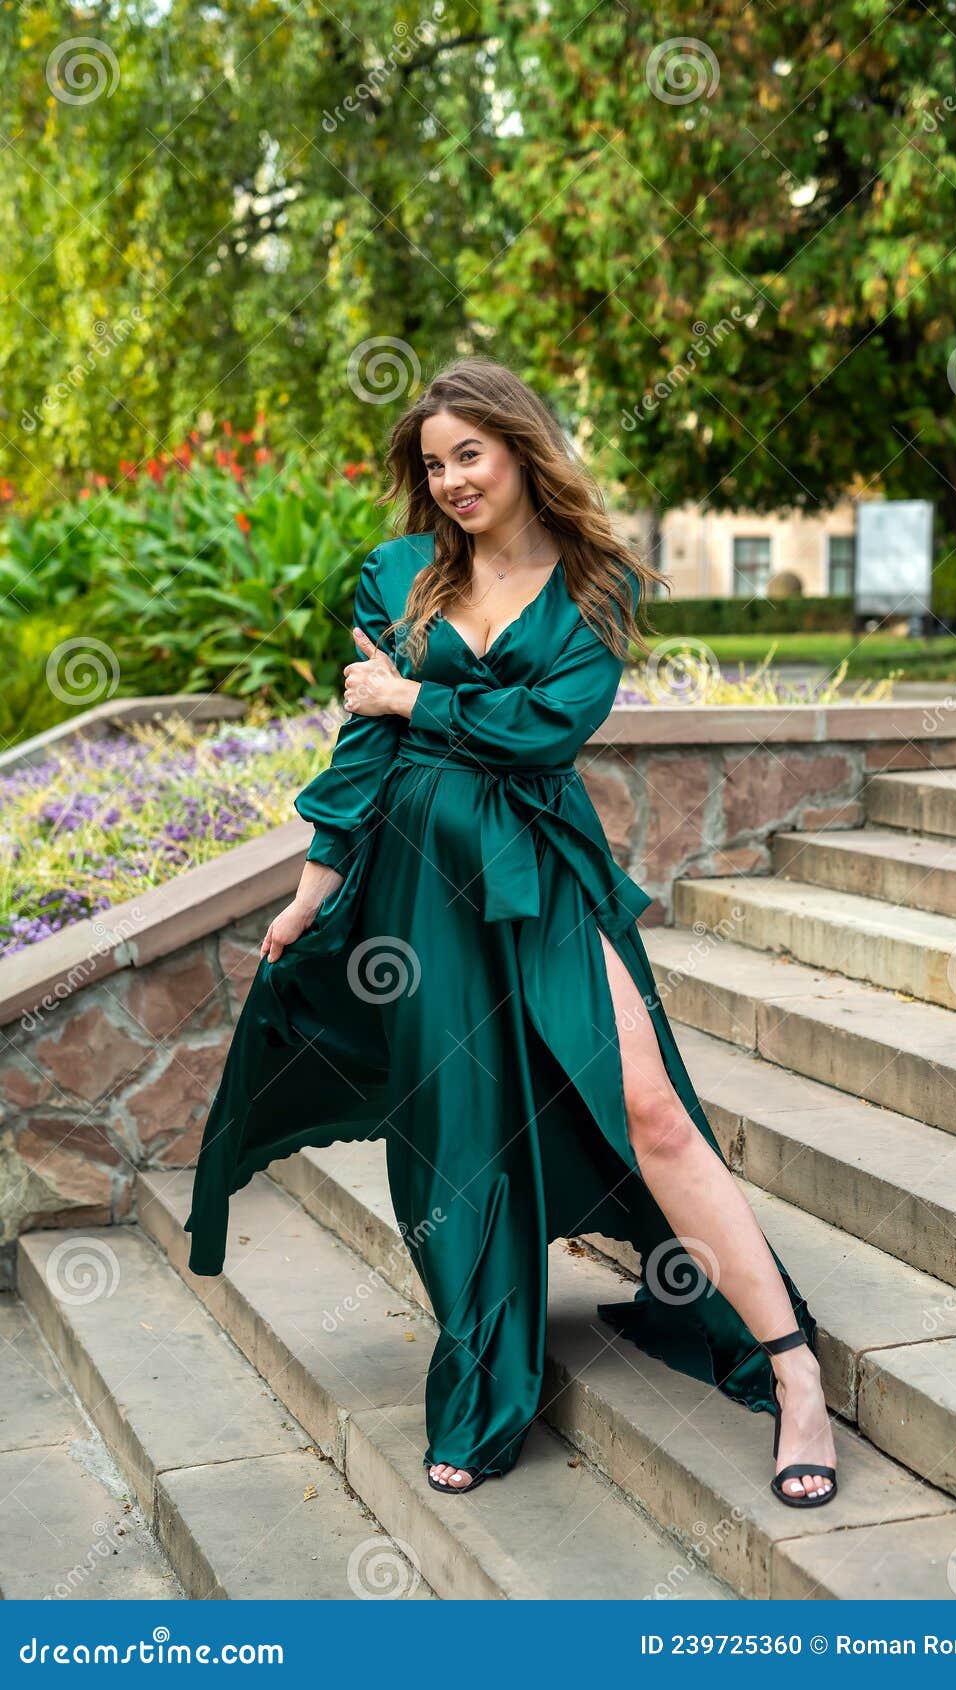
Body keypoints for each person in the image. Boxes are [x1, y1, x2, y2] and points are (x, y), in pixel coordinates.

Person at [183, 356, 837, 1508]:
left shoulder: (596, 586)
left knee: (646, 1102)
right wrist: (312, 884)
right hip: (417, 889)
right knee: (463, 1133)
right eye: (432, 466)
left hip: (538, 872)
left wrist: (411, 696)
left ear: (522, 448)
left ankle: (792, 1374)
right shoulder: (399, 574)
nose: (449, 483)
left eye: (467, 456)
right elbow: (364, 754)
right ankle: (488, 1376)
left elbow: (546, 729)